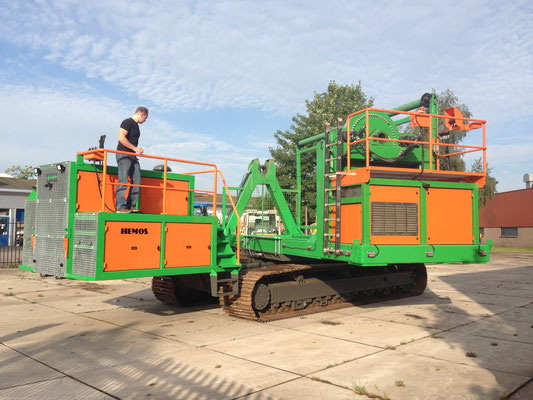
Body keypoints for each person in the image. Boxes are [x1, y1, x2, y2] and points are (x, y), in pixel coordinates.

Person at [115, 106, 149, 213]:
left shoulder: (136, 126)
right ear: (142, 114)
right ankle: (121, 207)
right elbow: (121, 137)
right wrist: (135, 148)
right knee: (123, 180)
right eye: (145, 118)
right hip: (124, 154)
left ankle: (131, 205)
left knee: (137, 180)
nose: (145, 120)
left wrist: (135, 151)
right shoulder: (127, 122)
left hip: (132, 156)